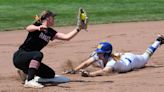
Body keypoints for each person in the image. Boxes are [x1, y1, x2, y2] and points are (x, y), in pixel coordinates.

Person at [13, 9, 88, 88]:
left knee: (50, 74)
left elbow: (67, 37)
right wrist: (38, 28)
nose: (54, 19)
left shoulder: (50, 32)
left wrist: (78, 28)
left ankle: (25, 73)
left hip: (30, 61)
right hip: (20, 56)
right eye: (53, 17)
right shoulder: (38, 24)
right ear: (48, 18)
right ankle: (30, 80)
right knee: (38, 54)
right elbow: (28, 28)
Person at [64, 35, 164, 77]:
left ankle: (158, 41)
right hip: (119, 56)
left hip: (132, 60)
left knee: (145, 57)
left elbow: (104, 71)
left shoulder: (112, 62)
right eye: (98, 52)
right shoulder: (99, 56)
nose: (98, 54)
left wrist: (90, 75)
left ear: (106, 54)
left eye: (100, 52)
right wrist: (74, 70)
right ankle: (118, 54)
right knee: (94, 61)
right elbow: (87, 62)